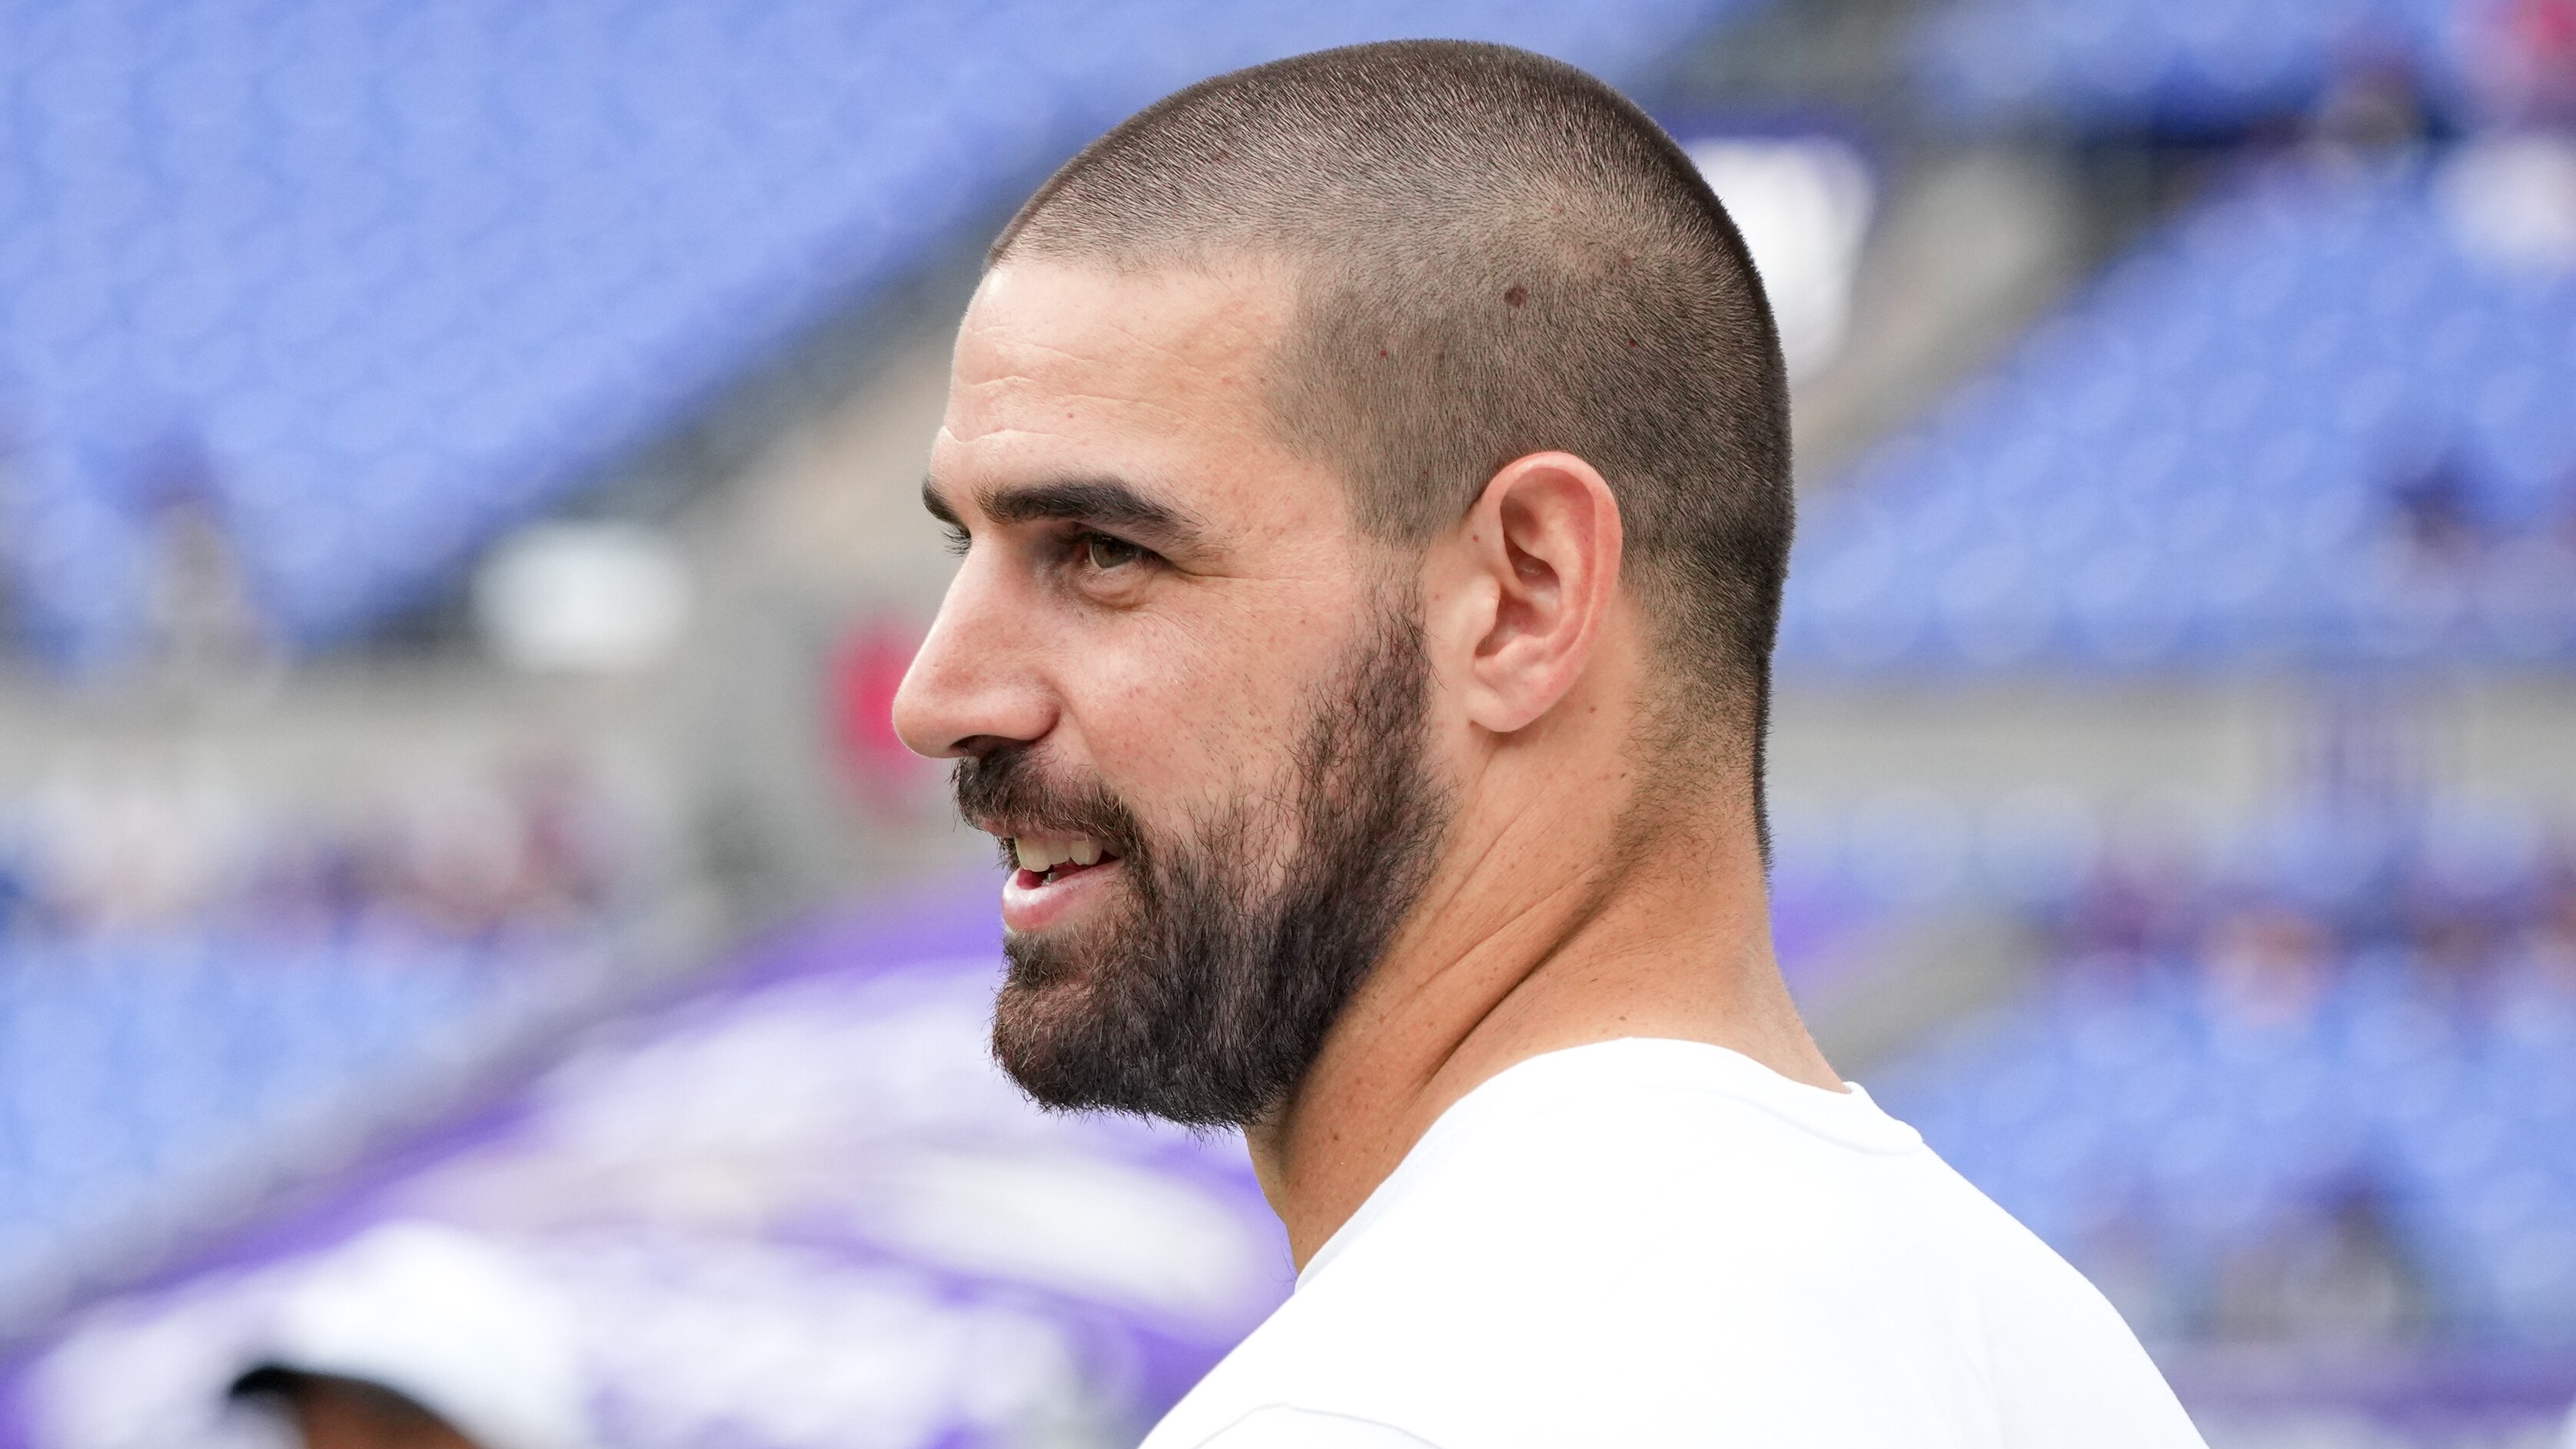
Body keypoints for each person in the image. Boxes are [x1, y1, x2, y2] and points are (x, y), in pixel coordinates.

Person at [892, 39, 2206, 1449]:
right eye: (969, 542)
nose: (937, 695)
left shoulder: (1366, 1411)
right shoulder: (2054, 1361)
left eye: (1101, 550)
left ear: (1521, 594)